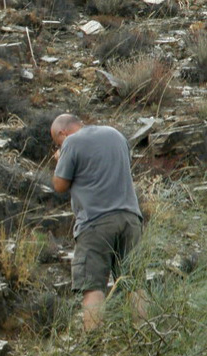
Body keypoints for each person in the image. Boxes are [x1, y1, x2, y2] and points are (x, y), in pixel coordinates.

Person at [51, 114, 143, 331]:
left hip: (96, 222)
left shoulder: (71, 142)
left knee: (92, 286)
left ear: (62, 133)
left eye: (58, 142)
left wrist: (60, 160)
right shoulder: (115, 134)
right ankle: (145, 336)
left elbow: (60, 185)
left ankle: (93, 344)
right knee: (134, 283)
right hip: (131, 218)